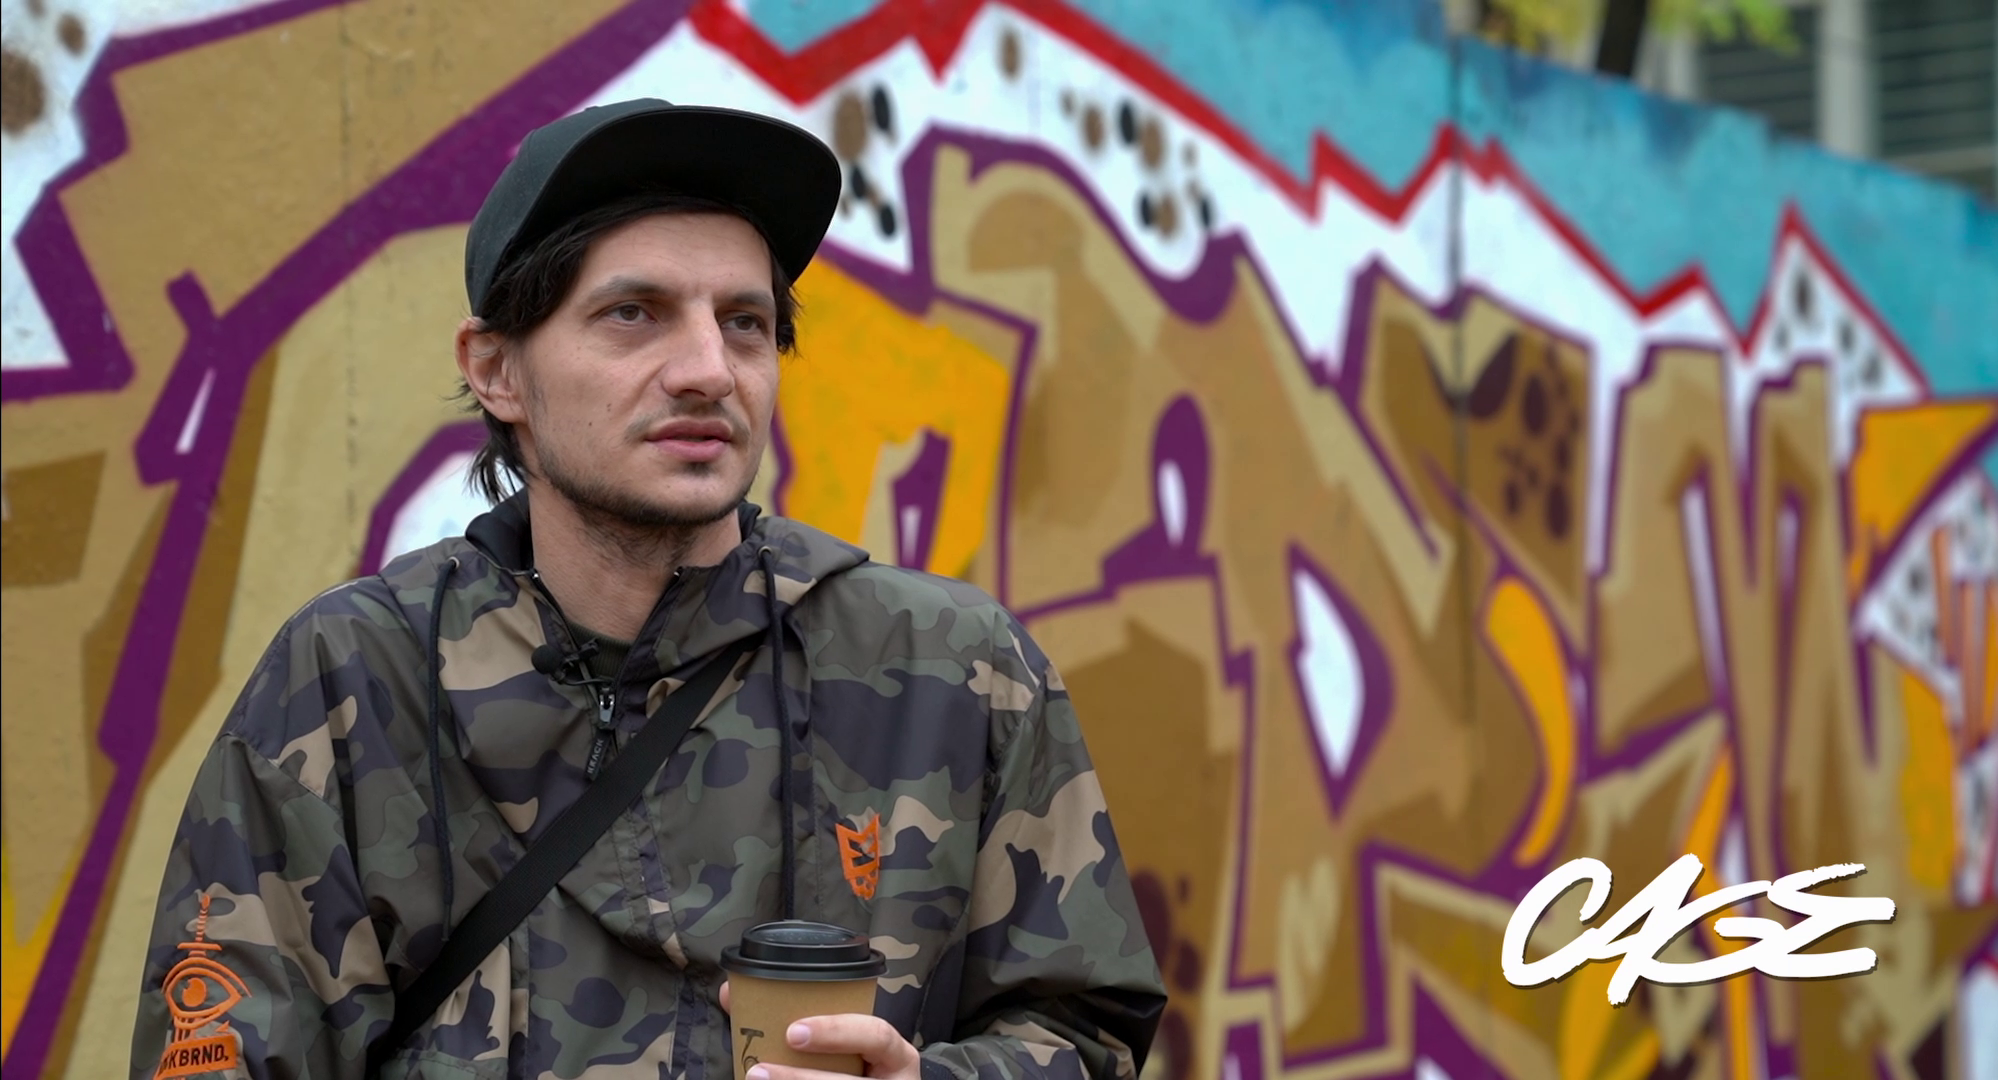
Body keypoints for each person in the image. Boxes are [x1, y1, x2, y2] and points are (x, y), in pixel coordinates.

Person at [129, 100, 1166, 1080]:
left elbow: (1084, 1026)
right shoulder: (357, 681)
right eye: (634, 314)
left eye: (745, 322)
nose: (709, 369)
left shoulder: (952, 671)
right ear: (496, 370)